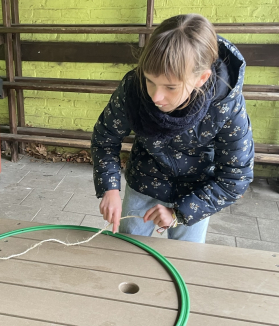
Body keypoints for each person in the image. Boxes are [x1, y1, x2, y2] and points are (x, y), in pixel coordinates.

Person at [91, 14, 254, 243]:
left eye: (170, 87)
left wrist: (181, 213)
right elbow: (105, 137)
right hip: (144, 182)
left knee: (184, 260)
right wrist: (110, 188)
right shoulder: (133, 88)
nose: (156, 97)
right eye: (150, 80)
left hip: (197, 192)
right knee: (129, 253)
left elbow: (236, 176)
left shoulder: (226, 105)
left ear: (202, 78)